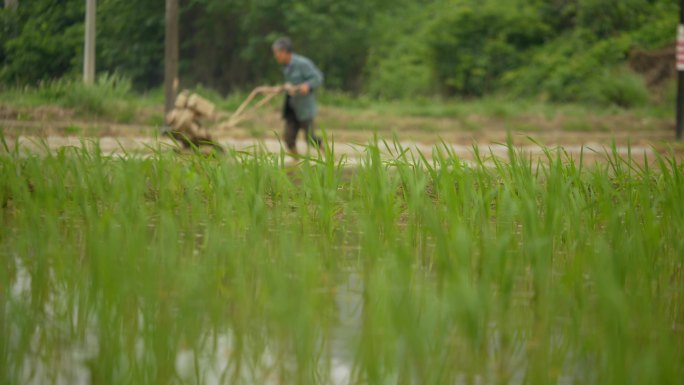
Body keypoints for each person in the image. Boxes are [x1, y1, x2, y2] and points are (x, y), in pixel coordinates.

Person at [272, 37, 324, 155]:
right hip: (292, 107)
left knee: (310, 138)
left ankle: (329, 156)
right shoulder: (286, 66)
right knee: (288, 138)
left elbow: (318, 77)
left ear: (285, 51)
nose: (276, 56)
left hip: (304, 107)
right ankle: (296, 163)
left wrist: (307, 85)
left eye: (277, 53)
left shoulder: (302, 63)